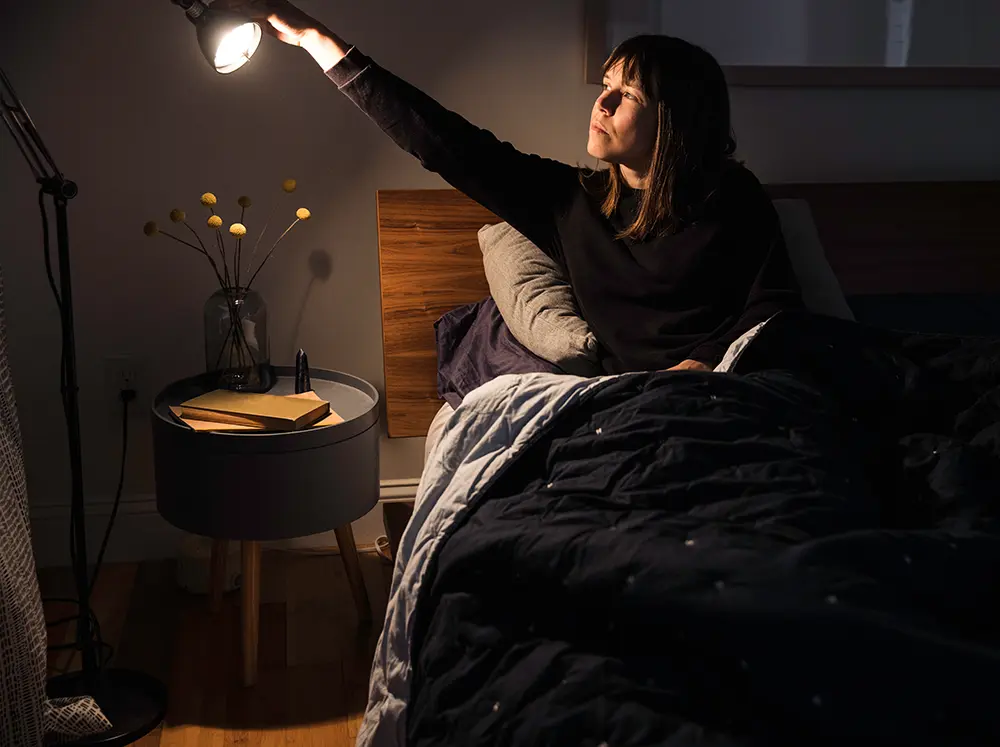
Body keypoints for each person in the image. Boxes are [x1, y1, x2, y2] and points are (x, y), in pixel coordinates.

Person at [230, 1, 804, 373]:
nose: (599, 104)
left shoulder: (732, 197)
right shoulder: (569, 203)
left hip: (728, 394)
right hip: (628, 403)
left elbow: (774, 307)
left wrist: (702, 366)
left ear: (673, 120)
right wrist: (317, 40)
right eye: (603, 85)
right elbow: (442, 141)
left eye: (625, 95)